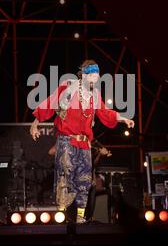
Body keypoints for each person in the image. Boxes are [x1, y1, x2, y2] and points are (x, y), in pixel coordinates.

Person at [30, 60, 134, 223]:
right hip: (67, 140)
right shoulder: (69, 86)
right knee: (65, 176)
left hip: (85, 143)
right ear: (84, 75)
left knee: (84, 179)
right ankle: (61, 215)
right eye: (93, 74)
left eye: (97, 75)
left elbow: (105, 113)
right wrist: (35, 123)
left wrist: (123, 119)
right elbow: (50, 102)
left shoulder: (95, 95)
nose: (96, 77)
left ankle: (80, 216)